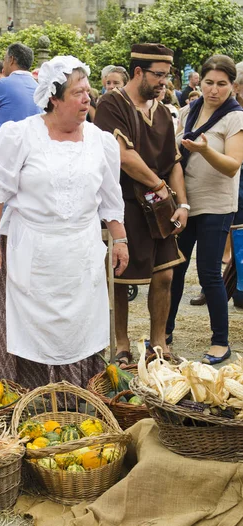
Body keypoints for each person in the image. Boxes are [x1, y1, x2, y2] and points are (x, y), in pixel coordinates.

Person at [0, 55, 128, 389]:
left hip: (80, 251)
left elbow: (110, 196)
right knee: (29, 326)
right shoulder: (19, 136)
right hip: (29, 251)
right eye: (78, 92)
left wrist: (119, 240)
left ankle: (78, 398)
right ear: (54, 98)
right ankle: (25, 397)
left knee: (78, 326)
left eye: (88, 91)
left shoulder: (101, 141)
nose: (87, 98)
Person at [94, 43, 189, 367]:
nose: (164, 82)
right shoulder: (111, 104)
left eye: (167, 75)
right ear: (138, 72)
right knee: (121, 278)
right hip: (123, 202)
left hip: (160, 204)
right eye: (158, 75)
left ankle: (158, 345)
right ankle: (122, 345)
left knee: (165, 275)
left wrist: (183, 204)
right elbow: (122, 156)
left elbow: (174, 162)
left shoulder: (163, 111)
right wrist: (159, 186)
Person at [167, 55, 243, 364]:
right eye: (209, 82)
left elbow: (232, 165)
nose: (214, 90)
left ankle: (220, 342)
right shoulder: (189, 110)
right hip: (184, 203)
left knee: (209, 273)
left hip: (216, 205)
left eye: (222, 84)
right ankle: (164, 334)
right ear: (200, 80)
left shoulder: (235, 117)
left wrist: (205, 149)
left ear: (232, 85)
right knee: (175, 270)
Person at [0, 42, 41, 292]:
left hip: (0, 160)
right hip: (31, 161)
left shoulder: (3, 83)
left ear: (11, 59)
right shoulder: (36, 86)